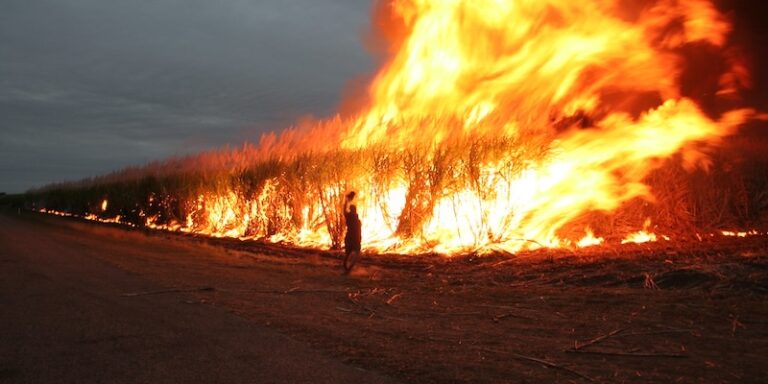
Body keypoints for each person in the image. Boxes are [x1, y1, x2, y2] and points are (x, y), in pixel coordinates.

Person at [343, 191, 361, 271]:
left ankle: (346, 267)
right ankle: (349, 267)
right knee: (356, 252)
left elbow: (344, 210)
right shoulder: (357, 219)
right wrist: (360, 238)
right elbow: (359, 230)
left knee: (348, 253)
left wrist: (346, 200)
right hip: (355, 238)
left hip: (350, 237)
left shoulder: (349, 217)